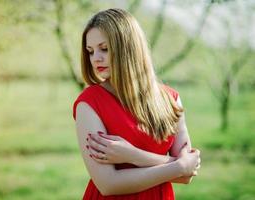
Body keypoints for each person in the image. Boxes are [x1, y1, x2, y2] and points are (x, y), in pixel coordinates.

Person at [72, 8, 201, 199]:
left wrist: (133, 155)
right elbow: (108, 184)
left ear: (128, 47)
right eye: (90, 51)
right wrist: (178, 165)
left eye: (104, 49)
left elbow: (186, 176)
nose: (95, 58)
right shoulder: (89, 103)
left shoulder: (171, 99)